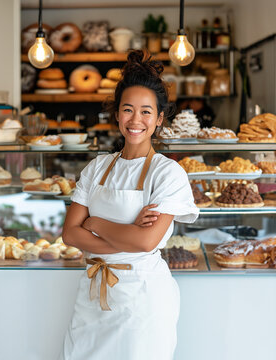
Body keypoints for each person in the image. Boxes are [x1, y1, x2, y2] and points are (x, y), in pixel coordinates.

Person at [60, 50, 199, 360]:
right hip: (93, 294)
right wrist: (126, 236)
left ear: (160, 118)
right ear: (117, 114)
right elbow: (69, 234)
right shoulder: (97, 167)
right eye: (128, 110)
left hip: (142, 301)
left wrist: (94, 225)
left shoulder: (168, 173)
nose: (136, 120)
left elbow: (146, 241)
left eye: (146, 111)